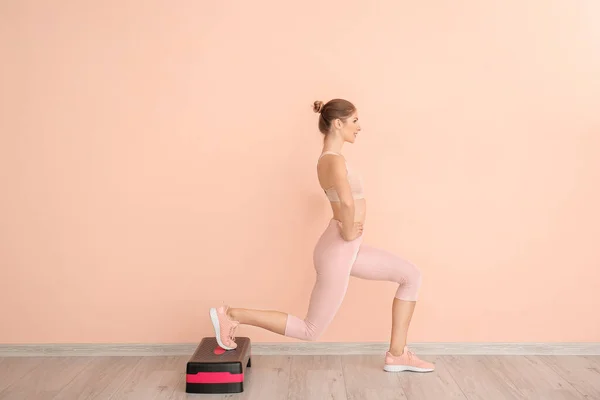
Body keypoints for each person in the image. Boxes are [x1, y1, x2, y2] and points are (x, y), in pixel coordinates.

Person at [209, 99, 435, 373]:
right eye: (354, 121)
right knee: (310, 330)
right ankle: (231, 314)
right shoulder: (333, 160)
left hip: (342, 247)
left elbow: (345, 202)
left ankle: (397, 354)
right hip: (339, 249)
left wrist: (350, 233)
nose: (359, 127)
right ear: (338, 124)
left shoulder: (329, 159)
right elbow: (347, 202)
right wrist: (351, 229)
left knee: (411, 275)